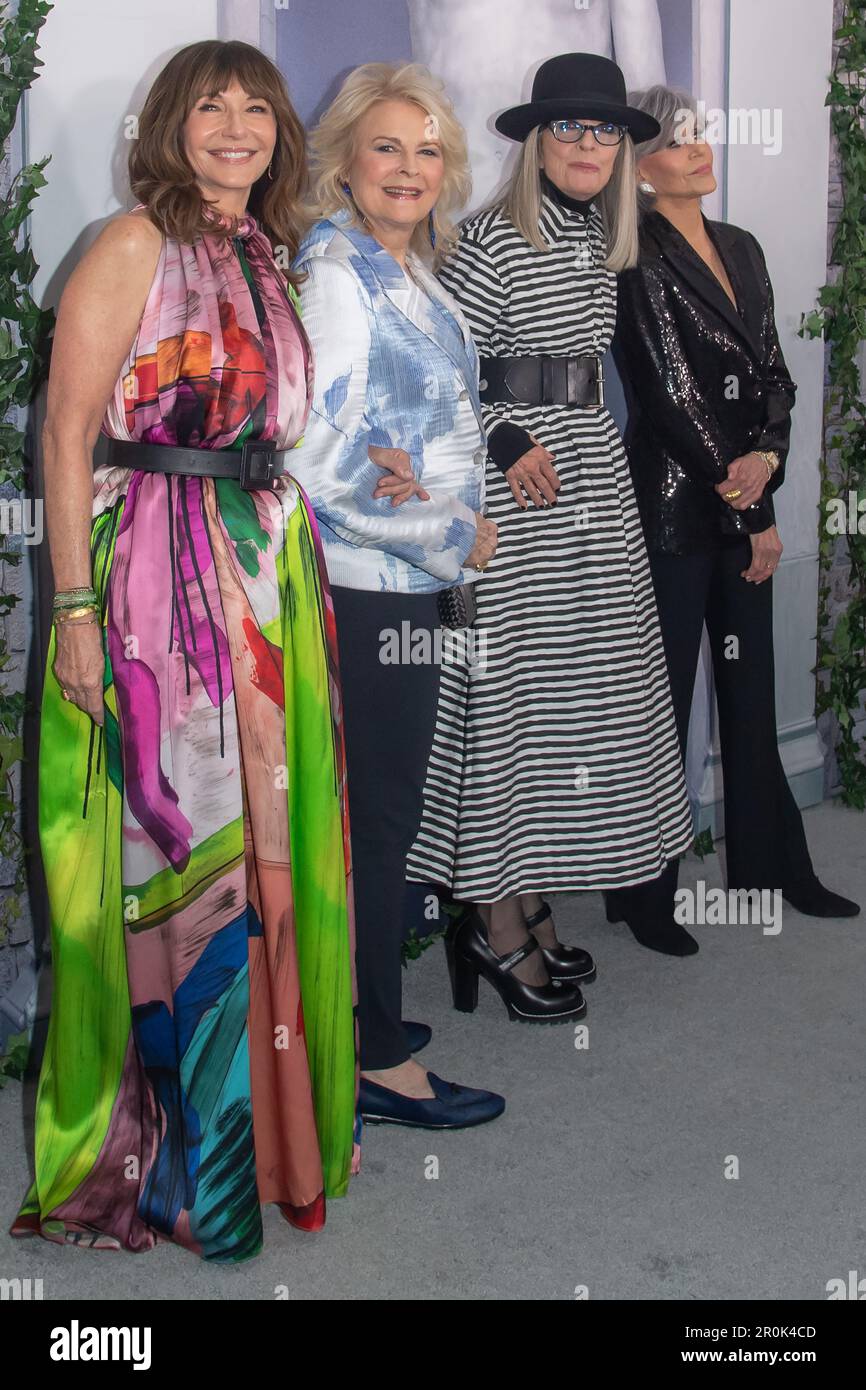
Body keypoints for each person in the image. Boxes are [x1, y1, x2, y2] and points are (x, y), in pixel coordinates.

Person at [11, 40, 360, 1262]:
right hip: (158, 597)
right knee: (182, 871)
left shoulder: (267, 251)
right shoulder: (131, 244)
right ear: (170, 122)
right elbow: (63, 431)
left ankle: (263, 1142)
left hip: (264, 583)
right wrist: (70, 612)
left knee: (268, 861)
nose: (234, 127)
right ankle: (164, 1159)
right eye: (209, 107)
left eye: (254, 109)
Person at [407, 52, 699, 1005]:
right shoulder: (490, 237)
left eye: (605, 130)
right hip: (519, 494)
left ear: (623, 149)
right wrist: (506, 437)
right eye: (569, 129)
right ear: (538, 143)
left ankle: (525, 903)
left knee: (579, 696)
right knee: (511, 703)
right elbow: (450, 367)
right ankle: (493, 923)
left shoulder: (603, 240)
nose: (587, 144)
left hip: (593, 486)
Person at [290, 63, 506, 1128]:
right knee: (375, 821)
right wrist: (449, 529)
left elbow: (407, 428)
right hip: (366, 586)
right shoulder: (335, 271)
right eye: (386, 148)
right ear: (343, 160)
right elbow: (303, 454)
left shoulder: (406, 267)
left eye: (427, 151)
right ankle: (374, 1057)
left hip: (405, 581)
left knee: (379, 814)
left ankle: (360, 1009)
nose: (409, 169)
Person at [612, 85, 859, 922]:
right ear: (641, 166)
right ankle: (644, 899)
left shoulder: (742, 245)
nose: (701, 151)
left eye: (701, 136)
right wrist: (751, 508)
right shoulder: (630, 251)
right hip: (676, 511)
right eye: (681, 143)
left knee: (750, 692)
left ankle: (772, 869)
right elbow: (671, 396)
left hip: (743, 495)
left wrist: (771, 456)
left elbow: (775, 374)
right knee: (664, 701)